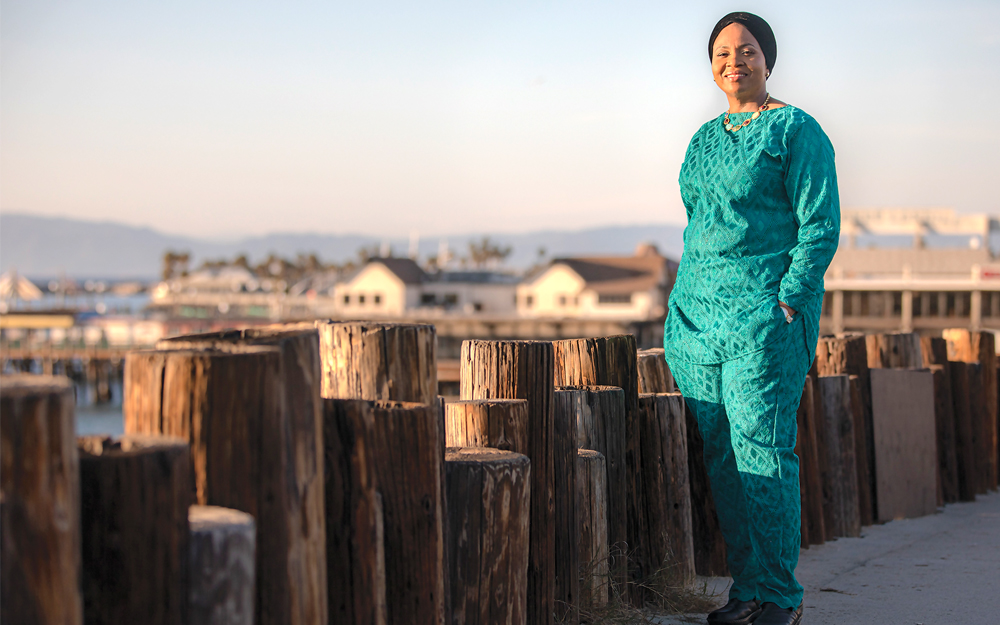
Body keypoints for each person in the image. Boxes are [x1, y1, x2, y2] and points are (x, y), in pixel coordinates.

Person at [663, 11, 840, 625]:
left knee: (763, 451)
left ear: (768, 59)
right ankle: (747, 591)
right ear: (711, 69)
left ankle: (781, 596)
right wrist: (681, 307)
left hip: (766, 319)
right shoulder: (702, 139)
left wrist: (788, 299)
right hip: (697, 321)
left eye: (746, 50)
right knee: (722, 457)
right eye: (721, 54)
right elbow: (697, 223)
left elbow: (819, 224)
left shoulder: (797, 130)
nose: (733, 61)